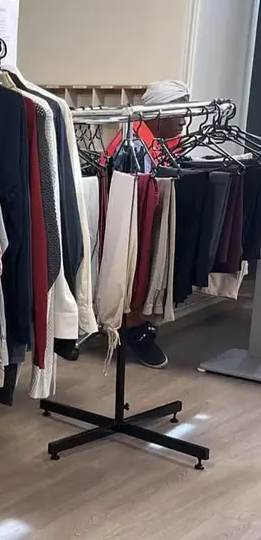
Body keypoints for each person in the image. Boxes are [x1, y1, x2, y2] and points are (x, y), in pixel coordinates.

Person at [106, 80, 192, 368]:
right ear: (158, 112)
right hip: (129, 222)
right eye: (178, 114)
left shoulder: (169, 141)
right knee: (138, 263)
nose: (184, 121)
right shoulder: (132, 145)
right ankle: (133, 327)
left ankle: (140, 320)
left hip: (155, 216)